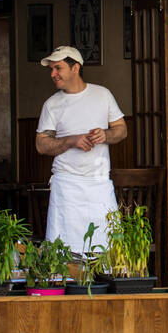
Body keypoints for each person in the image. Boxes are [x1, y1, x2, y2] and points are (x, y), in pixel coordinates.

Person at [35, 46, 127, 254]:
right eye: (51, 69)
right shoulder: (52, 104)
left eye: (57, 68)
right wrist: (70, 141)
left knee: (107, 250)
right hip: (66, 185)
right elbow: (41, 145)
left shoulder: (102, 95)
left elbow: (121, 130)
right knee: (63, 253)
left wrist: (106, 135)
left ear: (75, 68)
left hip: (99, 183)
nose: (53, 74)